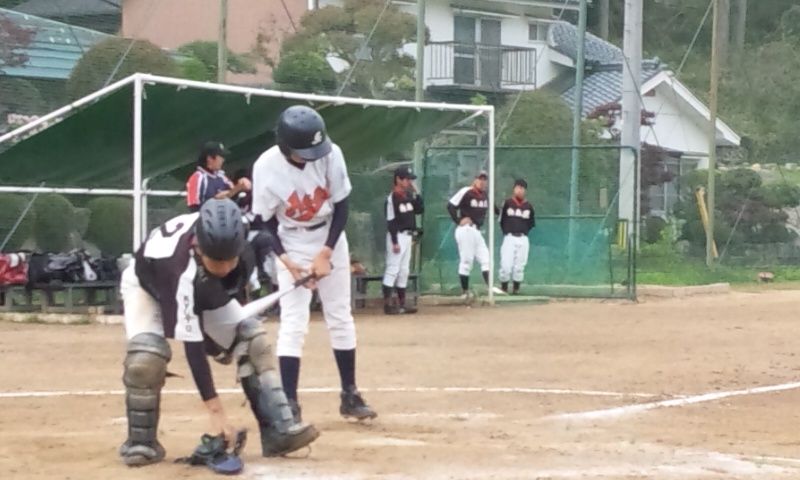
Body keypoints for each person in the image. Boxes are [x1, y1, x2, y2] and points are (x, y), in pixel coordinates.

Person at [118, 198, 318, 467]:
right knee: (145, 360)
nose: (225, 267)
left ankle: (278, 431)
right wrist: (217, 414)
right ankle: (141, 442)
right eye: (216, 261)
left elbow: (227, 298)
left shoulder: (240, 245)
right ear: (198, 247)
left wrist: (297, 267)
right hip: (149, 285)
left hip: (203, 287)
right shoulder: (180, 268)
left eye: (230, 260)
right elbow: (193, 346)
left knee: (252, 341)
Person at [251, 105, 377, 423]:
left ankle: (350, 393)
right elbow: (264, 222)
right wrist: (287, 261)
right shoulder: (266, 167)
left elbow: (342, 206)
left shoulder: (330, 153)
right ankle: (290, 404)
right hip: (290, 241)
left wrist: (326, 252)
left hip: (329, 235)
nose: (313, 155)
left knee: (339, 315)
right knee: (294, 322)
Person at [447, 170, 502, 299]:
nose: (482, 181)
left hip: (477, 231)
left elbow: (496, 210)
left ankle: (490, 288)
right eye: (480, 179)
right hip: (466, 229)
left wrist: (503, 209)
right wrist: (458, 220)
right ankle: (465, 292)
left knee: (486, 259)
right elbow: (450, 205)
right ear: (475, 180)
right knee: (467, 261)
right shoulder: (466, 191)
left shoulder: (485, 195)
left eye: (484, 179)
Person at [381, 166, 423, 315]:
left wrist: (417, 191)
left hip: (407, 236)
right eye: (406, 179)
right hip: (397, 235)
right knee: (393, 269)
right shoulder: (392, 197)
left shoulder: (408, 196)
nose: (408, 182)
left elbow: (419, 209)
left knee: (404, 270)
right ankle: (387, 304)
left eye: (409, 179)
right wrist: (394, 241)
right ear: (398, 179)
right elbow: (391, 221)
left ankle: (402, 304)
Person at [186, 141, 252, 212]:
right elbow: (193, 207)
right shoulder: (197, 177)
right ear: (210, 158)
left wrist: (243, 185)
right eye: (221, 157)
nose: (223, 160)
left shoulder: (221, 176)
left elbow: (233, 193)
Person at [498, 179, 535, 294]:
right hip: (509, 237)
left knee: (519, 266)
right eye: (518, 187)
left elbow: (531, 223)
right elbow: (501, 220)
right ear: (514, 189)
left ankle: (516, 289)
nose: (520, 190)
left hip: (523, 238)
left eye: (522, 188)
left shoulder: (528, 206)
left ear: (525, 191)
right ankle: (504, 288)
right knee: (506, 265)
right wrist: (508, 230)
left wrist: (523, 231)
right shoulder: (507, 203)